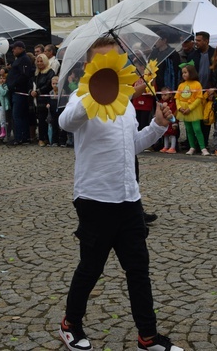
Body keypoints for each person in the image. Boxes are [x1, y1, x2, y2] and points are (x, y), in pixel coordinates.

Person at [57, 36, 182, 351]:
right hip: (95, 199)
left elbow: (132, 146)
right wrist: (93, 96)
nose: (110, 64)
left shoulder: (125, 102)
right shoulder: (80, 96)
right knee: (91, 267)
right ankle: (70, 323)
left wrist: (156, 125)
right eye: (102, 59)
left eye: (115, 58)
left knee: (138, 269)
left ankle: (148, 336)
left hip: (129, 198)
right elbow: (66, 122)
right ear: (90, 66)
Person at [176, 62, 210, 156]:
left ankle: (202, 147)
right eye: (183, 73)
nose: (184, 74)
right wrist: (179, 108)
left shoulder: (197, 84)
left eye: (185, 72)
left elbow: (199, 98)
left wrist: (190, 108)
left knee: (197, 129)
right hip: (183, 109)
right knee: (188, 129)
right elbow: (177, 98)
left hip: (194, 110)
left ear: (191, 73)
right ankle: (192, 147)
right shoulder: (181, 85)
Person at [7, 41, 34, 145]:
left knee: (18, 115)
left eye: (14, 48)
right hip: (16, 91)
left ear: (21, 48)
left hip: (19, 91)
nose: (13, 50)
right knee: (19, 115)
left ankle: (20, 137)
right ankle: (22, 136)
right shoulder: (18, 59)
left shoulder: (24, 59)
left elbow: (24, 75)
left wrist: (13, 84)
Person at [31, 54, 55, 146]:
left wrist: (38, 91)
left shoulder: (50, 72)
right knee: (40, 120)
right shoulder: (36, 73)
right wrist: (32, 91)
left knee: (47, 119)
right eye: (38, 61)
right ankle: (41, 138)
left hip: (47, 99)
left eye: (41, 61)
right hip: (38, 100)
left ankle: (48, 138)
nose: (39, 63)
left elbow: (49, 85)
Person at [158, 89, 179, 153]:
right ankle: (165, 146)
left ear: (170, 95)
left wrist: (175, 122)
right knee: (165, 134)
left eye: (165, 95)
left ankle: (173, 147)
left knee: (172, 134)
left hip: (171, 121)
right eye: (162, 95)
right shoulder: (160, 102)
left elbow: (174, 112)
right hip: (165, 121)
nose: (163, 96)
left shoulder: (173, 103)